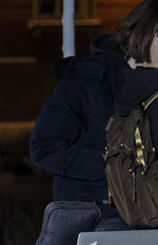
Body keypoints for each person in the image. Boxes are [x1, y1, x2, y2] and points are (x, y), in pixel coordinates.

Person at [30, 26, 130, 231]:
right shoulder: (84, 81)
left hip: (143, 215)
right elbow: (44, 147)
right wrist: (111, 165)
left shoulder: (150, 81)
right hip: (93, 215)